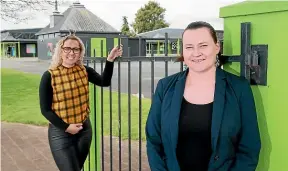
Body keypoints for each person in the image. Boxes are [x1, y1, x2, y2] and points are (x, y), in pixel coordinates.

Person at [145, 21, 261, 171]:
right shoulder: (165, 87)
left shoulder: (239, 88)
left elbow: (249, 148)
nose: (196, 53)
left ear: (217, 46)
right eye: (189, 47)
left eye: (203, 45)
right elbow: (154, 141)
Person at [39, 32, 122, 171]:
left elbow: (104, 81)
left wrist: (110, 59)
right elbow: (45, 110)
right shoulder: (49, 75)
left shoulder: (84, 70)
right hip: (60, 132)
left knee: (77, 167)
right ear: (61, 51)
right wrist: (66, 127)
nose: (71, 53)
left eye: (76, 49)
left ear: (80, 52)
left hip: (84, 131)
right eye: (67, 49)